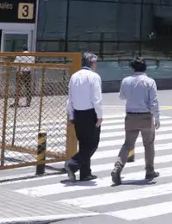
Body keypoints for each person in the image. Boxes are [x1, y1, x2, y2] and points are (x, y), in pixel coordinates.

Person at [112, 57, 160, 185]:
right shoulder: (150, 82)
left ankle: (117, 168)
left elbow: (122, 96)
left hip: (131, 116)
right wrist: (157, 117)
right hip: (146, 116)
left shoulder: (126, 81)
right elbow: (154, 101)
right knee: (148, 145)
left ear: (132, 68)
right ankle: (149, 171)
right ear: (145, 68)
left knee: (127, 144)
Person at [66, 52, 103, 182]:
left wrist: (71, 114)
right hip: (90, 113)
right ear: (93, 63)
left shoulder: (74, 76)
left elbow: (70, 98)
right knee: (92, 144)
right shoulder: (94, 77)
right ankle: (73, 164)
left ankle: (85, 173)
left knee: (83, 143)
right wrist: (100, 116)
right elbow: (96, 98)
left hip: (78, 113)